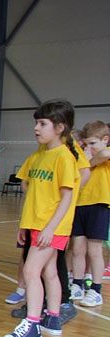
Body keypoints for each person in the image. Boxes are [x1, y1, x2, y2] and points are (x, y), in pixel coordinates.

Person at [2, 100, 79, 337]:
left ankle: (32, 325)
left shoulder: (63, 157)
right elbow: (35, 197)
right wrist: (24, 225)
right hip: (36, 224)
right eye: (36, 122)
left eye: (42, 123)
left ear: (60, 127)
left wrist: (50, 228)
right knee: (49, 272)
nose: (36, 128)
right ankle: (52, 319)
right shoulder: (40, 155)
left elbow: (67, 197)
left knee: (30, 271)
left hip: (52, 227)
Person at [71, 121, 110, 307]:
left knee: (94, 250)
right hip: (79, 204)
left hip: (99, 205)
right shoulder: (82, 157)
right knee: (78, 249)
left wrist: (88, 161)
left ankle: (95, 289)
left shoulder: (104, 156)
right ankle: (77, 284)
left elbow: (104, 153)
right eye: (86, 144)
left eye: (93, 144)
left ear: (105, 139)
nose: (89, 148)